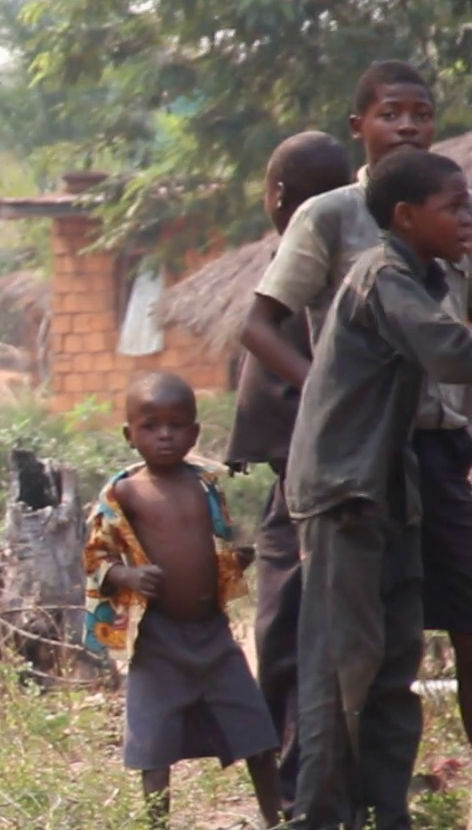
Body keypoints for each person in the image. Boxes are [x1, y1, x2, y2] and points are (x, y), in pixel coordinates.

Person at [242, 63, 472, 756]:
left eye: (421, 114)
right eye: (390, 114)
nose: (407, 127)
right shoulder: (331, 216)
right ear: (359, 126)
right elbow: (258, 325)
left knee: (459, 614)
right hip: (361, 455)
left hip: (440, 443)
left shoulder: (454, 213)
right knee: (352, 631)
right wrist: (329, 397)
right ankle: (335, 786)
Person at [288, 148, 472, 830]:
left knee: (395, 662)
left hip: (388, 486)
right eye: (454, 206)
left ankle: (384, 812)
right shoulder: (385, 274)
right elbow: (450, 354)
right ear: (405, 216)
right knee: (341, 666)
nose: (467, 217)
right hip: (343, 492)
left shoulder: (423, 276)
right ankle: (319, 816)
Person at [86, 372, 283, 830]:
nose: (165, 435)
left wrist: (235, 561)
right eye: (151, 426)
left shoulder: (205, 485)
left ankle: (276, 819)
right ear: (129, 435)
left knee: (256, 732)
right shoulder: (124, 492)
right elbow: (95, 555)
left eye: (176, 425)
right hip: (156, 639)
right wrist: (128, 575)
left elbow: (213, 546)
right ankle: (157, 823)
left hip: (212, 633)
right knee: (154, 746)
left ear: (194, 433)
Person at [224, 131, 352, 806]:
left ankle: (300, 786)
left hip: (313, 481)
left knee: (288, 636)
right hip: (297, 478)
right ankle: (298, 782)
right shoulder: (322, 263)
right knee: (291, 633)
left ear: (277, 196)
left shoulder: (315, 269)